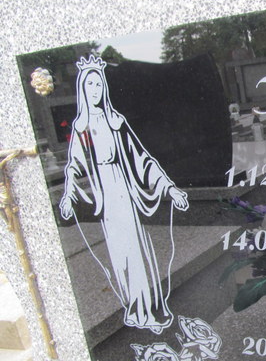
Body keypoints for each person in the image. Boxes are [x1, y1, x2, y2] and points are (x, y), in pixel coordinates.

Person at [60, 55, 189, 334]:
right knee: (120, 254)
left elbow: (142, 159)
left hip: (123, 190)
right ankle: (134, 309)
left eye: (99, 84)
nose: (95, 90)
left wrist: (169, 187)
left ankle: (147, 310)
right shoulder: (81, 128)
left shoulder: (116, 122)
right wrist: (69, 195)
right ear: (82, 88)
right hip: (105, 196)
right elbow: (74, 166)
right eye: (90, 84)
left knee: (136, 250)